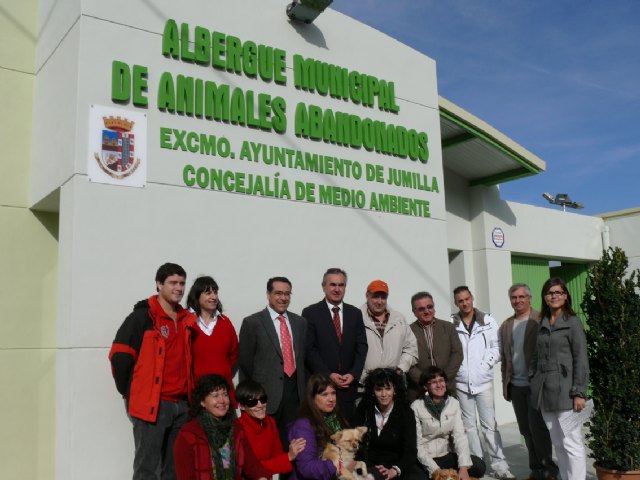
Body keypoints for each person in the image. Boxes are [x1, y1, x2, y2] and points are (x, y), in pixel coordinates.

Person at [109, 262, 196, 480]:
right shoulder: (142, 318)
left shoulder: (186, 319)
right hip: (153, 405)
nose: (178, 288)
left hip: (182, 405)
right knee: (147, 468)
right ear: (159, 284)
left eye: (182, 283)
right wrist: (130, 393)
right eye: (172, 283)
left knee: (174, 469)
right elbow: (120, 356)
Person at [451, 285, 515, 480]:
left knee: (489, 426)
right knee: (469, 427)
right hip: (462, 383)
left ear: (472, 298)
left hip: (483, 382)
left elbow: (497, 347)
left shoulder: (487, 321)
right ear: (456, 303)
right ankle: (477, 464)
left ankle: (500, 465)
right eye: (460, 301)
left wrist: (485, 365)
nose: (464, 303)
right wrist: (459, 369)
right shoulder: (451, 323)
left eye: (467, 299)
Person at [530, 278, 589, 480]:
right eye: (549, 293)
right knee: (558, 443)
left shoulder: (572, 322)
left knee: (571, 442)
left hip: (566, 390)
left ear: (565, 296)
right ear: (545, 298)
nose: (554, 296)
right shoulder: (542, 322)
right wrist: (533, 379)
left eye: (558, 292)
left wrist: (579, 392)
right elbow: (536, 356)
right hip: (545, 391)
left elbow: (581, 358)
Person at [238, 276, 307, 447]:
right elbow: (245, 363)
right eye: (278, 293)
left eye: (287, 294)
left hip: (294, 396)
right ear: (268, 294)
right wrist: (250, 399)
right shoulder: (252, 323)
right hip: (265, 397)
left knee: (292, 447)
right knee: (263, 448)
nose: (283, 298)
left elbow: (302, 358)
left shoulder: (300, 322)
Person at [499, 283, 558, 480]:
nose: (518, 301)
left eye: (521, 297)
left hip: (536, 385)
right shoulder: (506, 325)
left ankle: (548, 469)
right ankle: (535, 468)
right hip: (516, 386)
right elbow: (505, 358)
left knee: (539, 429)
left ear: (529, 298)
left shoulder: (541, 319)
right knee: (525, 429)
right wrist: (505, 384)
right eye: (514, 298)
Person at [173, 374, 269, 480]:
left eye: (225, 394)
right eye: (215, 396)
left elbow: (252, 465)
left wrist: (262, 477)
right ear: (202, 402)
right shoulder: (188, 435)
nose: (222, 400)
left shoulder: (236, 429)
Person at [303, 268, 368, 424]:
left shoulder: (355, 313)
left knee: (346, 433)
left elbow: (362, 346)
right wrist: (328, 374)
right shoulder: (311, 312)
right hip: (322, 387)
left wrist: (353, 374)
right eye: (333, 284)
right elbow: (309, 349)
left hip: (347, 388)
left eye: (341, 285)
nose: (337, 289)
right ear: (323, 286)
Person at [412, 366, 486, 480]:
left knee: (479, 466)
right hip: (425, 459)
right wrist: (435, 471)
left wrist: (463, 467)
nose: (439, 385)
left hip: (445, 455)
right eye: (433, 382)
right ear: (426, 386)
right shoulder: (416, 407)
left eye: (441, 380)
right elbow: (417, 445)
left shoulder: (453, 403)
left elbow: (460, 437)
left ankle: (450, 475)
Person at [288, 374, 360, 480]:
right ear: (312, 398)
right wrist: (337, 465)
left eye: (333, 393)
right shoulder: (303, 426)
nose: (331, 399)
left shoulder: (335, 418)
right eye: (324, 394)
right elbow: (306, 468)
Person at [355, 368, 420, 480]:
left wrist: (394, 470)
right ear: (373, 392)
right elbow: (355, 441)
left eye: (388, 389)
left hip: (395, 467)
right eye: (379, 389)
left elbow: (410, 452)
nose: (384, 394)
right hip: (368, 466)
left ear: (394, 390)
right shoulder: (364, 409)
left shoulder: (406, 413)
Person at [234, 380, 306, 478]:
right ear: (241, 406)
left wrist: (288, 455)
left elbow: (277, 455)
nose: (260, 405)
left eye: (263, 399)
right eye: (252, 402)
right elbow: (250, 468)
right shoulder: (237, 428)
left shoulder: (270, 422)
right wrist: (288, 457)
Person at [186, 276, 239, 406]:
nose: (214, 297)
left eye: (215, 292)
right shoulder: (187, 323)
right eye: (208, 292)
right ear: (197, 296)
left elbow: (234, 355)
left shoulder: (225, 323)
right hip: (198, 395)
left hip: (223, 395)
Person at [359, 280, 417, 385]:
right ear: (367, 296)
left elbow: (411, 349)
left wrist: (400, 369)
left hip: (394, 385)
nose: (380, 301)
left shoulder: (399, 319)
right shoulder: (357, 318)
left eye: (383, 297)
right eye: (375, 297)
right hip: (365, 385)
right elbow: (348, 352)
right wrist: (364, 377)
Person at [408, 291, 462, 401]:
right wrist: (425, 381)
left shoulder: (448, 327)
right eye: (421, 309)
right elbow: (406, 360)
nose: (427, 311)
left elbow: (457, 354)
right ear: (414, 312)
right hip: (419, 390)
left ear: (434, 307)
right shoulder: (408, 331)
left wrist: (442, 380)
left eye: (429, 307)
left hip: (447, 388)